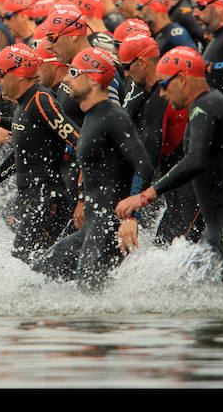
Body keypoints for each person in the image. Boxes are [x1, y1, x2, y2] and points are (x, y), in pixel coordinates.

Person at [115, 46, 223, 283]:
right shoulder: (215, 104)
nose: (161, 94)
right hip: (222, 225)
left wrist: (145, 196)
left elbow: (194, 160)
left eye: (164, 84)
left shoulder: (205, 107)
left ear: (181, 79)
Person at [31, 47, 153, 291]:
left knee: (90, 300)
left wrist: (131, 217)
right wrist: (82, 199)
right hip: (91, 225)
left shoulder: (113, 116)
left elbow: (143, 164)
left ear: (94, 78)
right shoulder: (90, 115)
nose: (66, 78)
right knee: (34, 280)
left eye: (73, 72)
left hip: (108, 227)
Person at [0, 44, 81, 263]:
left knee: (23, 263)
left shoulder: (41, 100)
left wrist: (83, 196)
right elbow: (26, 143)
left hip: (48, 199)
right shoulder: (25, 103)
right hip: (35, 198)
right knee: (32, 267)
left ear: (19, 74)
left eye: (0, 73)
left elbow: (79, 142)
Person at [116, 35, 202, 245]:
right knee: (162, 250)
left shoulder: (159, 99)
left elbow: (148, 157)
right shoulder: (151, 96)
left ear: (142, 63)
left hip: (195, 191)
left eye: (127, 67)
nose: (125, 74)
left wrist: (132, 212)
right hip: (177, 189)